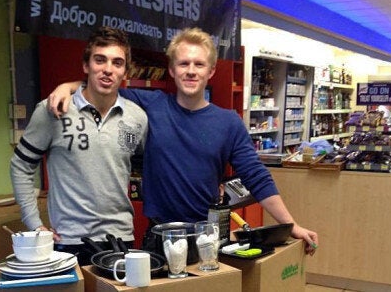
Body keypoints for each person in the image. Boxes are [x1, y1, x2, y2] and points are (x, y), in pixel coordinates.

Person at [48, 27, 318, 255]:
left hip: (208, 239)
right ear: (172, 70)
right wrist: (68, 87)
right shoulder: (150, 106)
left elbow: (257, 177)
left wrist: (290, 225)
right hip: (158, 239)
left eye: (199, 64)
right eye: (183, 64)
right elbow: (103, 87)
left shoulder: (228, 123)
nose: (191, 71)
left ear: (211, 71)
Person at [10, 26, 148, 265]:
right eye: (99, 60)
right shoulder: (54, 110)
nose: (108, 69)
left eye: (117, 63)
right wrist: (35, 225)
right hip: (69, 241)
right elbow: (20, 166)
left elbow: (140, 167)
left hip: (121, 240)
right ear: (86, 66)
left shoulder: (137, 118)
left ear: (125, 71)